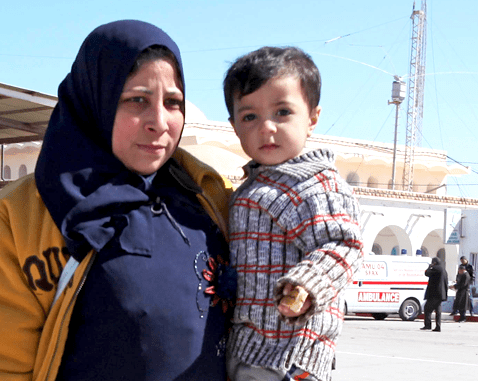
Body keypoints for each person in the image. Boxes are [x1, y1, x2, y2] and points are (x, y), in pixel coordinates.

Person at [0, 20, 235, 381]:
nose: (159, 122)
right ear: (96, 99)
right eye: (136, 100)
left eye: (173, 102)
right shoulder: (23, 215)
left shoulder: (207, 198)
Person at [223, 46, 364, 381]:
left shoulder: (315, 184)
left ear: (312, 118)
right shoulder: (251, 186)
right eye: (250, 117)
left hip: (292, 353)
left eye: (282, 112)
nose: (266, 128)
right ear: (234, 125)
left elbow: (344, 245)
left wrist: (307, 284)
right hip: (248, 347)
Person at [421, 257, 448, 332]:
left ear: (434, 262)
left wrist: (430, 266)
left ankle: (428, 325)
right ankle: (438, 326)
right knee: (438, 311)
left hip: (434, 293)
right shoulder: (444, 270)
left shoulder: (435, 269)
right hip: (441, 294)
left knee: (427, 309)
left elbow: (427, 273)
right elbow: (446, 283)